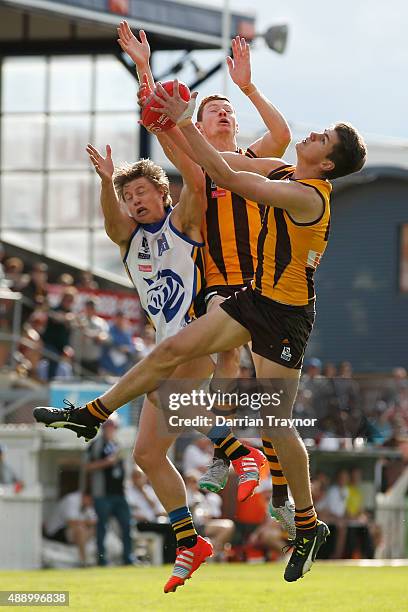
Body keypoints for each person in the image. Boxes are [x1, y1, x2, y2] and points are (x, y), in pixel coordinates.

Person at [34, 79, 367, 582]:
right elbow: (221, 164)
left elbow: (228, 179)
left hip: (286, 316)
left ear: (325, 164)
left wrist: (183, 117)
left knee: (275, 421)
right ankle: (93, 413)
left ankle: (302, 516)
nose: (313, 133)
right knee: (173, 350)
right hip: (253, 298)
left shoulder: (306, 195)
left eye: (322, 138)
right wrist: (172, 118)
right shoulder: (284, 170)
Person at [35, 140, 265, 591]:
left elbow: (196, 185)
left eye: (141, 191)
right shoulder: (129, 240)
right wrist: (107, 181)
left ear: (162, 193)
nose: (134, 200)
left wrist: (172, 125)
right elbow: (109, 221)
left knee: (165, 392)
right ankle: (189, 537)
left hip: (199, 333)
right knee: (145, 454)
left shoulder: (183, 222)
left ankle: (234, 449)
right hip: (168, 346)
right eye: (128, 196)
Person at [117, 22, 294, 533]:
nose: (223, 111)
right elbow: (161, 125)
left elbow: (281, 136)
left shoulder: (255, 161)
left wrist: (248, 88)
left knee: (267, 392)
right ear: (200, 118)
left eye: (228, 109)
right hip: (215, 283)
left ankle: (266, 479)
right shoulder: (197, 164)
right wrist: (145, 70)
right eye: (214, 107)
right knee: (218, 366)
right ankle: (230, 454)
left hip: (263, 283)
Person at [85, 419, 132, 566]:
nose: (110, 430)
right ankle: (101, 559)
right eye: (108, 427)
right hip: (102, 494)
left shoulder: (119, 444)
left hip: (120, 494)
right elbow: (87, 467)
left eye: (113, 427)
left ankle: (128, 558)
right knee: (102, 528)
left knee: (126, 525)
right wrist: (107, 462)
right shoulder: (95, 445)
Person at [44, 491, 96, 567]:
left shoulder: (87, 505)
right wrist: (87, 523)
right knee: (80, 530)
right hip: (55, 532)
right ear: (86, 497)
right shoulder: (71, 500)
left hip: (70, 532)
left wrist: (87, 524)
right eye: (91, 502)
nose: (91, 504)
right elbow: (71, 522)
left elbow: (94, 521)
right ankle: (84, 561)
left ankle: (97, 557)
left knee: (92, 530)